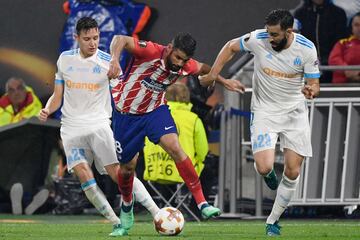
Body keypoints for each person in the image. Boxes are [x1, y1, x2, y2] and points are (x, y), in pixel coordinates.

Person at [107, 32, 245, 231]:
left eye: (185, 60)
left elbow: (203, 68)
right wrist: (114, 59)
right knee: (127, 168)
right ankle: (126, 207)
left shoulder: (185, 65)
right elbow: (119, 39)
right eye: (178, 57)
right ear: (170, 48)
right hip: (126, 114)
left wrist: (224, 81)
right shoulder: (150, 50)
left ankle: (202, 203)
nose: (180, 64)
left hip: (155, 111)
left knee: (175, 147)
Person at [200, 9, 320, 236]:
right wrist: (214, 75)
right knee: (264, 167)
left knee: (293, 171)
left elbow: (315, 84)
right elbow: (230, 47)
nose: (270, 38)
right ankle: (268, 176)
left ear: (288, 31)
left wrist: (311, 91)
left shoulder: (306, 48)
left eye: (275, 34)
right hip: (264, 111)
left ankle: (272, 221)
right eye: (268, 32)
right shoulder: (258, 39)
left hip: (294, 113)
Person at [38, 17, 159, 237]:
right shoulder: (64, 60)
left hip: (99, 125)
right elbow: (57, 96)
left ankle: (157, 213)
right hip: (71, 128)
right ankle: (117, 223)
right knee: (83, 174)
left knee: (118, 174)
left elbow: (123, 97)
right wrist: (47, 109)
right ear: (76, 38)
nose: (92, 43)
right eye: (87, 39)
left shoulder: (108, 62)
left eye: (95, 38)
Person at [143, 82, 208, 183]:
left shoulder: (152, 116)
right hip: (184, 174)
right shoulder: (193, 119)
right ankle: (196, 199)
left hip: (154, 171)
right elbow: (202, 150)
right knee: (209, 171)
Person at [293, 0, 347, 83]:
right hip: (306, 65)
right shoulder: (300, 13)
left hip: (331, 67)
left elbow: (341, 42)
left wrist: (328, 60)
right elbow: (296, 41)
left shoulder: (338, 13)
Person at [329, 12, 360, 83]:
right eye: (356, 25)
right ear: (351, 28)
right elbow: (334, 60)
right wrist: (347, 70)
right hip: (342, 86)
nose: (359, 28)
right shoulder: (342, 43)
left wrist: (357, 73)